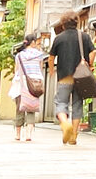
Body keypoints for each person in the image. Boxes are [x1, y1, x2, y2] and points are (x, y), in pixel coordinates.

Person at [49, 12, 88, 145]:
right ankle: (73, 137)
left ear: (63, 24)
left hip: (64, 77)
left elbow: (51, 57)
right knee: (77, 104)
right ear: (76, 22)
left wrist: (51, 70)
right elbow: (93, 51)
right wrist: (90, 64)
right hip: (80, 77)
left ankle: (65, 124)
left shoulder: (59, 38)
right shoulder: (84, 36)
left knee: (61, 102)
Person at [10, 32, 49, 142]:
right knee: (31, 108)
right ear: (32, 42)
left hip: (21, 83)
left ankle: (18, 134)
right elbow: (40, 69)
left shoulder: (19, 55)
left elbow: (16, 70)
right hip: (34, 84)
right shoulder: (39, 54)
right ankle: (28, 135)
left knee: (19, 108)